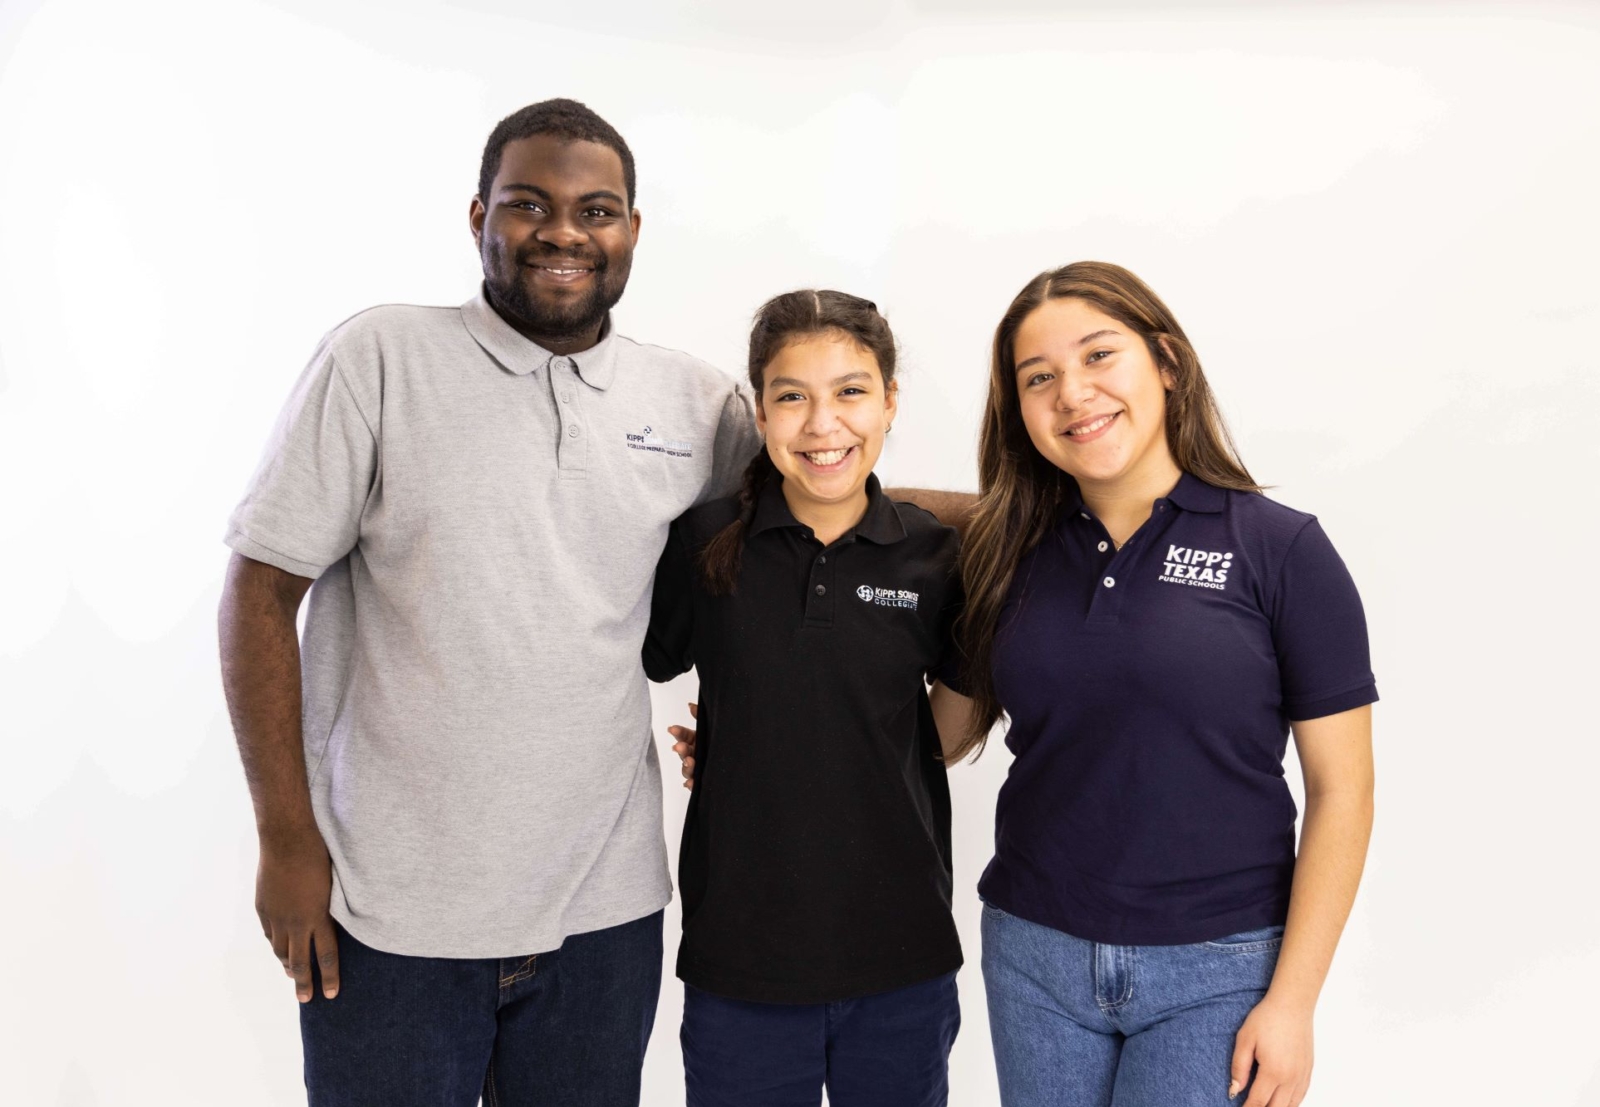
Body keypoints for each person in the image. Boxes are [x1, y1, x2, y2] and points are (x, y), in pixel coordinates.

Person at [216, 98, 764, 1107]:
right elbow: (259, 591)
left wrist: (1039, 504)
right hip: (386, 913)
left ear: (632, 231)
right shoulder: (380, 360)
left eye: (596, 209)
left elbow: (828, 503)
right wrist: (285, 839)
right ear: (478, 218)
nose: (563, 231)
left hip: (605, 913)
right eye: (528, 204)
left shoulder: (695, 404)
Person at [952, 261, 1377, 1107]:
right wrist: (762, 735)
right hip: (1033, 955)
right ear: (1020, 411)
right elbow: (937, 733)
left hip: (1221, 968)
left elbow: (1344, 790)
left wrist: (1293, 1002)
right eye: (1039, 378)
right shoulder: (1003, 554)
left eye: (1099, 356)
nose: (1073, 393)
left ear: (1168, 364)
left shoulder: (1280, 550)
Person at [643, 290, 975, 1107]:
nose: (823, 424)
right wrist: (740, 741)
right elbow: (637, 663)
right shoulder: (703, 542)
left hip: (902, 956)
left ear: (891, 402)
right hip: (740, 960)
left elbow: (950, 730)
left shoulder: (935, 557)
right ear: (761, 412)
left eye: (852, 391)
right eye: (793, 396)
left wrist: (837, 744)